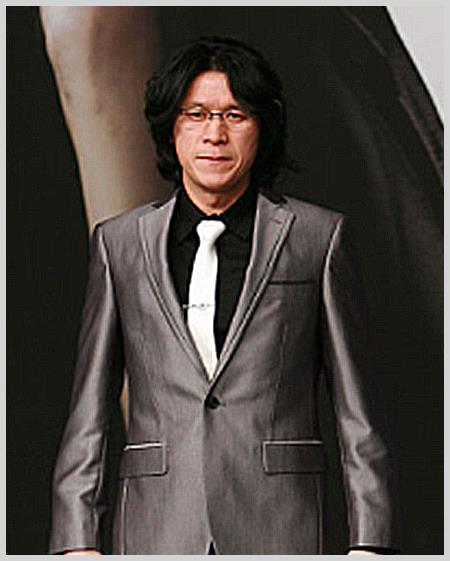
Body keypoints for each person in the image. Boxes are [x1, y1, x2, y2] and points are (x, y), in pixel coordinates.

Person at [49, 36, 400, 555]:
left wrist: (370, 542)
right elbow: (89, 410)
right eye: (196, 114)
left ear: (262, 127)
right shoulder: (119, 244)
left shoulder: (317, 238)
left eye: (235, 115)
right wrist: (76, 540)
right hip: (158, 525)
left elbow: (358, 412)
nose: (214, 134)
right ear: (171, 128)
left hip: (283, 524)